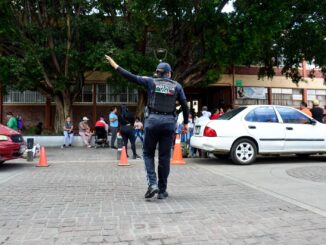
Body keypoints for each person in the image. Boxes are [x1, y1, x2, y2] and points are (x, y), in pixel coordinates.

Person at [105, 55, 189, 200]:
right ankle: (162, 190)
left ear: (157, 73)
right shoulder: (177, 86)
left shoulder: (151, 82)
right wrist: (186, 122)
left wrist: (115, 66)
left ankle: (152, 184)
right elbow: (185, 105)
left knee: (148, 153)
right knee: (164, 157)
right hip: (169, 123)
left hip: (153, 121)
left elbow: (131, 77)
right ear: (169, 74)